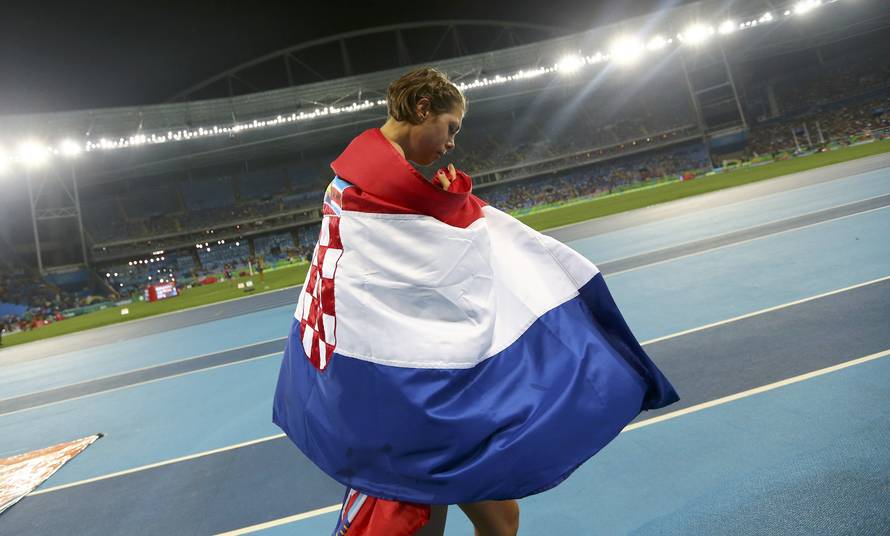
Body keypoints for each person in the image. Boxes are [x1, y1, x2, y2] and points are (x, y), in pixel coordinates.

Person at [273, 67, 677, 536]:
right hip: (402, 403)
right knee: (418, 524)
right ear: (423, 109)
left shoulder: (364, 181)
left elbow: (422, 271)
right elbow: (419, 275)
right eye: (450, 127)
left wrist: (443, 204)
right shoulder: (373, 189)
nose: (450, 144)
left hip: (429, 392)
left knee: (503, 519)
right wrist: (453, 206)